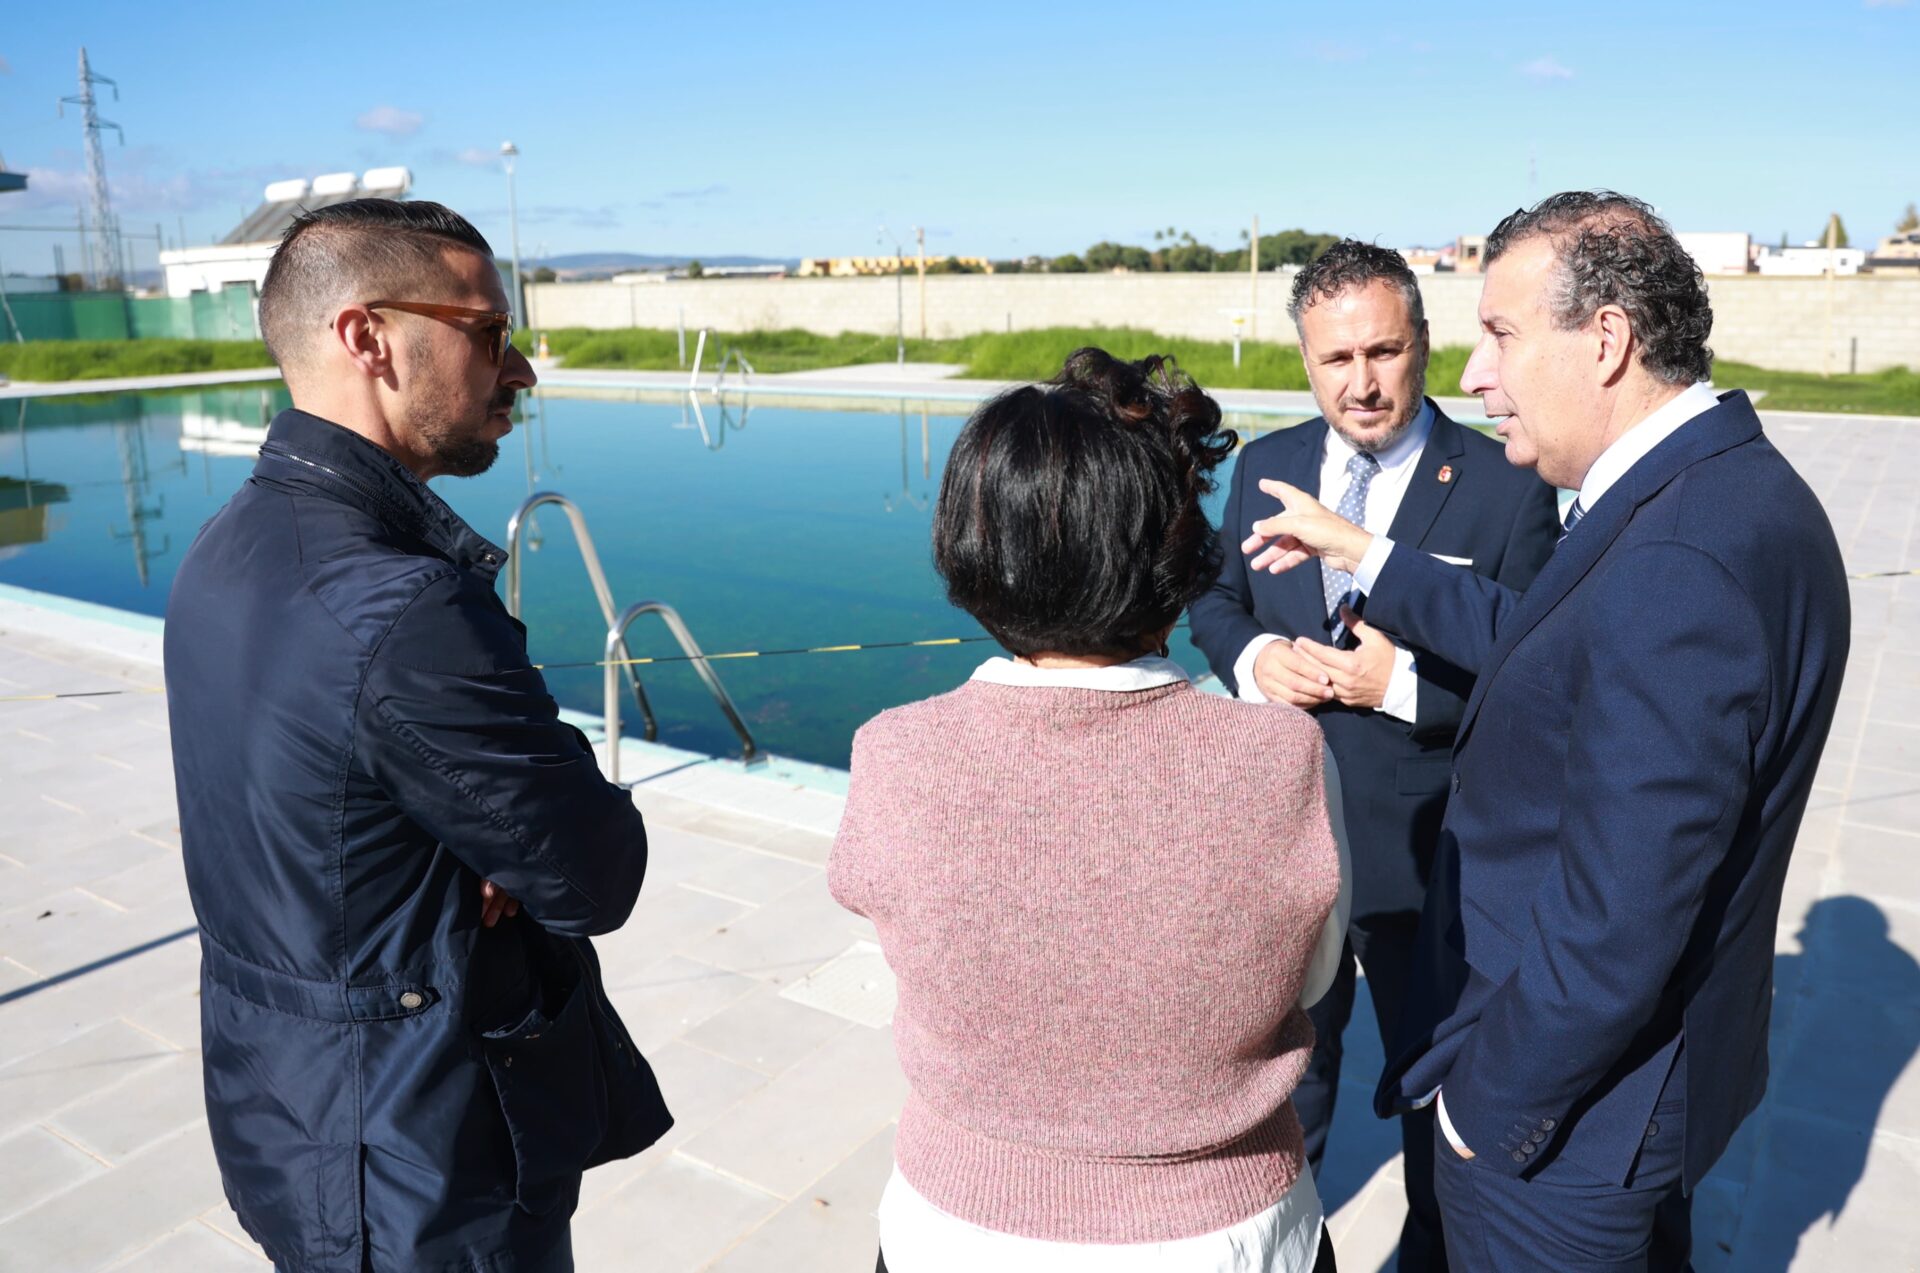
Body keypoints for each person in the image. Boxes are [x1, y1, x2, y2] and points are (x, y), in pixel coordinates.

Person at [1242, 191, 1850, 1271]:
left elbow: (1619, 917)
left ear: (1606, 339)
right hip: (1630, 1098)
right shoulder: (1729, 494)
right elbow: (1549, 641)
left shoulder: (1677, 562)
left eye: (1502, 335)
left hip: (1565, 1140)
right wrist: (1363, 553)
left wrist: (1486, 1112)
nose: (1479, 373)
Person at [164, 198, 670, 1272]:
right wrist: (505, 827)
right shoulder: (403, 610)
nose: (520, 369)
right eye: (488, 332)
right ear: (367, 337)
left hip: (291, 1115)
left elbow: (315, 806)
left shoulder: (226, 543)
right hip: (422, 1166)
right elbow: (594, 872)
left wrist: (467, 834)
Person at [830, 348, 1350, 1273]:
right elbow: (1307, 986)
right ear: (1177, 553)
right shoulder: (1282, 756)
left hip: (954, 1230)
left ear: (972, 544)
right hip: (1225, 1236)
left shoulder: (892, 752)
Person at [1190, 239, 1560, 1271]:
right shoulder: (1265, 467)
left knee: (1429, 1095)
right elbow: (1214, 601)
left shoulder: (1504, 484)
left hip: (1425, 861)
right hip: (1281, 852)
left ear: (1425, 346)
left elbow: (1535, 669)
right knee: (1287, 1089)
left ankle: (1432, 1249)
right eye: (1334, 360)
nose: (1361, 383)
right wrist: (1256, 654)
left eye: (1384, 352)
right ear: (1303, 362)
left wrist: (1393, 685)